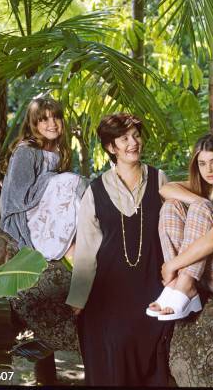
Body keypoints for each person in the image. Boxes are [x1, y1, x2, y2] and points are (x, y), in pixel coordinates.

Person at [66, 113, 173, 386]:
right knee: (110, 350)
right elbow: (87, 248)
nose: (133, 143)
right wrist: (78, 298)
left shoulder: (160, 180)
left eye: (136, 135)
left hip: (151, 285)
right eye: (124, 138)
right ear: (111, 147)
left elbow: (175, 229)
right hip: (108, 290)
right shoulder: (95, 190)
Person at [147, 134, 213, 321]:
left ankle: (182, 283)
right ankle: (179, 283)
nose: (208, 169)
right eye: (202, 164)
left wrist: (171, 265)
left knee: (201, 207)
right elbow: (165, 189)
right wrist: (200, 200)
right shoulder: (206, 188)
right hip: (203, 272)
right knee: (172, 205)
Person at [0, 97, 87, 262]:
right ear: (34, 124)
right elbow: (18, 197)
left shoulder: (60, 150)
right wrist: (52, 180)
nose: (52, 123)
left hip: (52, 208)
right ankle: (52, 242)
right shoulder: (26, 151)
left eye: (56, 117)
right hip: (28, 213)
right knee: (69, 180)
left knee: (80, 185)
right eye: (44, 119)